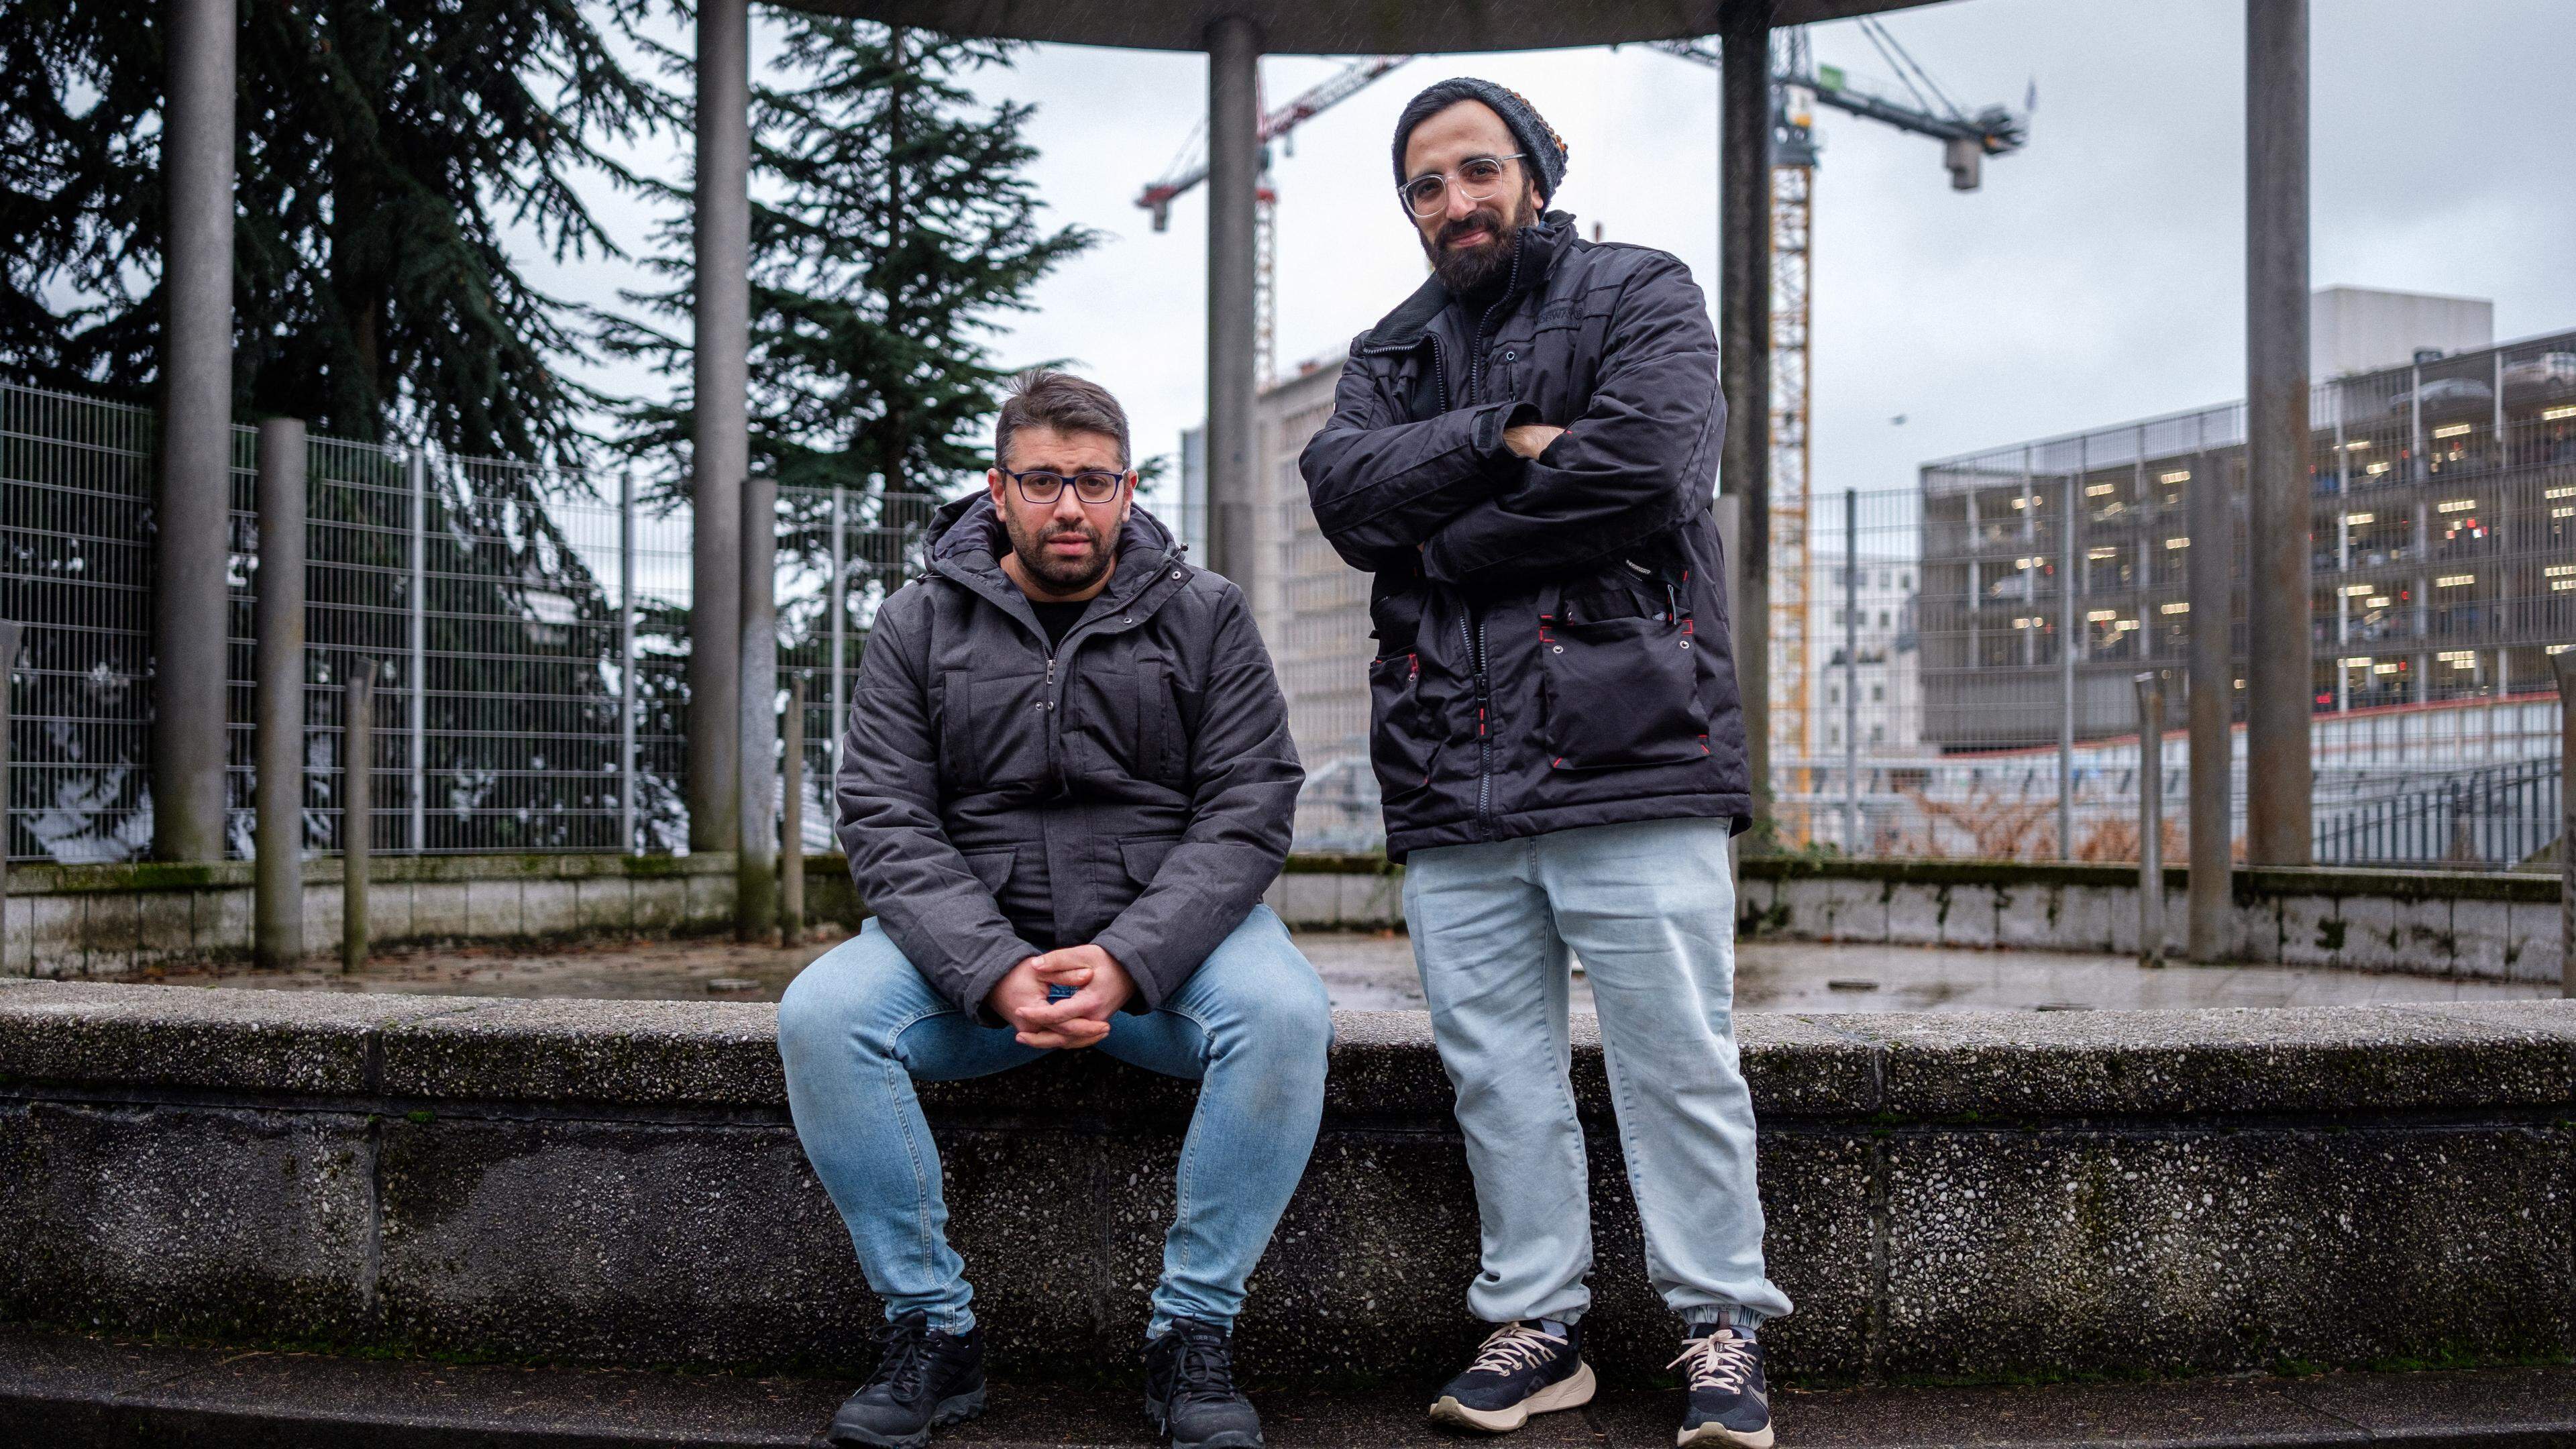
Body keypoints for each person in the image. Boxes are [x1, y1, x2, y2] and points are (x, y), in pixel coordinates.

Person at [1298, 79, 1790, 1448]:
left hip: (1634, 751)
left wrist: (1441, 540)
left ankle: (1720, 1325)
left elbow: (1645, 471)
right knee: (1496, 1069)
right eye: (1425, 187)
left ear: (1538, 169)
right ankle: (1540, 1324)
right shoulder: (1391, 351)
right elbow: (1343, 493)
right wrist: (1497, 440)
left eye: (1477, 169)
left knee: (1676, 1061)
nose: (1454, 202)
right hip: (1453, 775)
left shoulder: (1645, 291)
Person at [780, 371, 1327, 1449]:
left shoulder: (1206, 614)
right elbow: (884, 815)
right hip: (974, 959)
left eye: (1092, 481)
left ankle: (1193, 1336)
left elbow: (1251, 803)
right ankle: (932, 1330)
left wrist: (1129, 959)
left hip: (1168, 954)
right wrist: (989, 967)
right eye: (1042, 481)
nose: (1068, 507)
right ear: (998, 491)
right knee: (819, 1014)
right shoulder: (916, 622)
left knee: (1286, 1015)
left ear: (1128, 489)